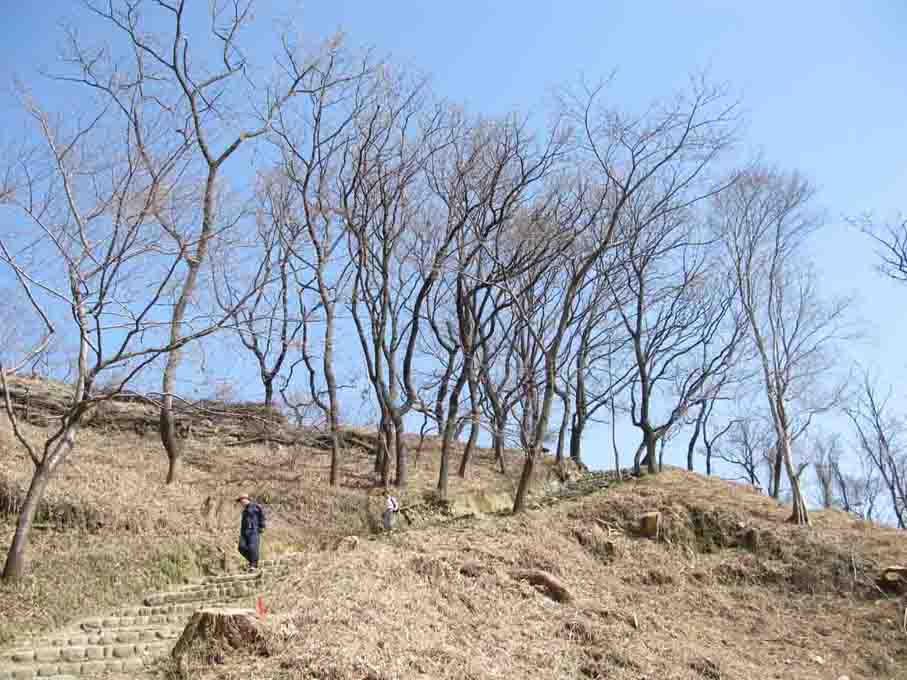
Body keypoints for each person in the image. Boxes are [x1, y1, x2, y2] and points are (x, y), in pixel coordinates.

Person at [236, 493, 266, 571]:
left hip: (253, 530)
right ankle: (252, 560)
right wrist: (241, 534)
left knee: (253, 547)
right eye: (240, 501)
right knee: (241, 547)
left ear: (246, 499)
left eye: (241, 500)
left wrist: (262, 526)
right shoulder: (244, 511)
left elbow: (261, 515)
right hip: (245, 532)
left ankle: (253, 564)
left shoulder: (255, 506)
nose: (241, 503)